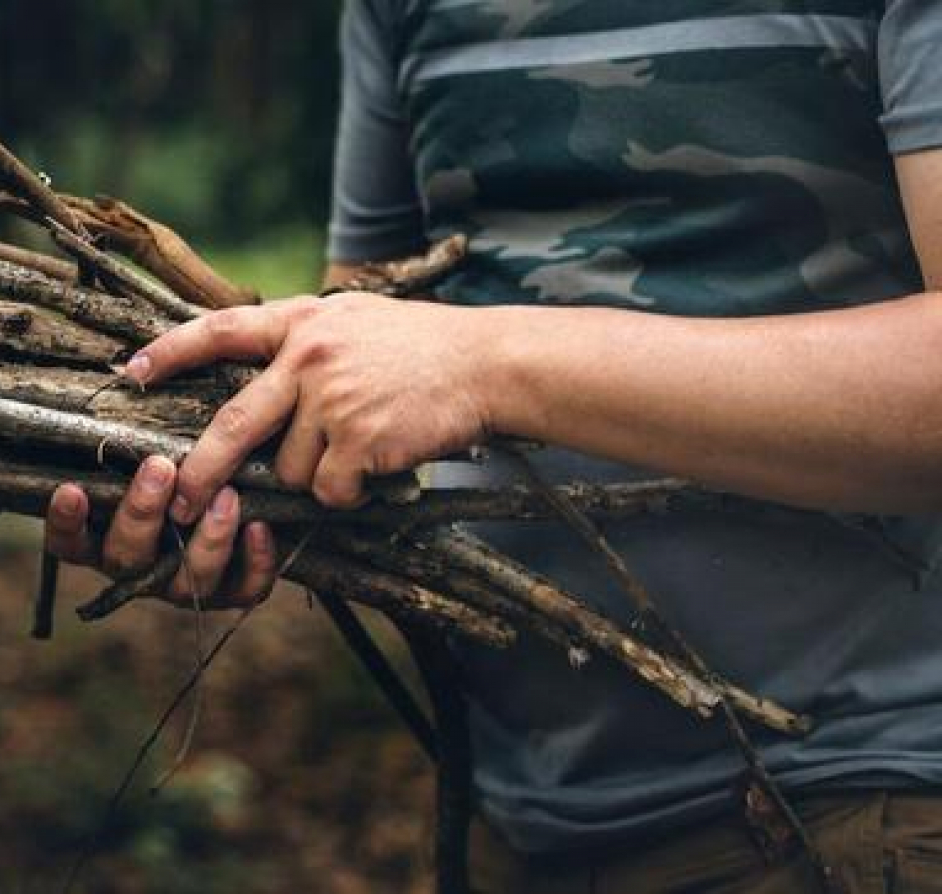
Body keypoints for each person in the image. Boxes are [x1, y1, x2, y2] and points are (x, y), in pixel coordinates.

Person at [46, 2, 942, 890]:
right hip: (514, 822)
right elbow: (373, 360)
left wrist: (488, 364)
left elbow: (448, 360)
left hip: (862, 807)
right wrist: (207, 493)